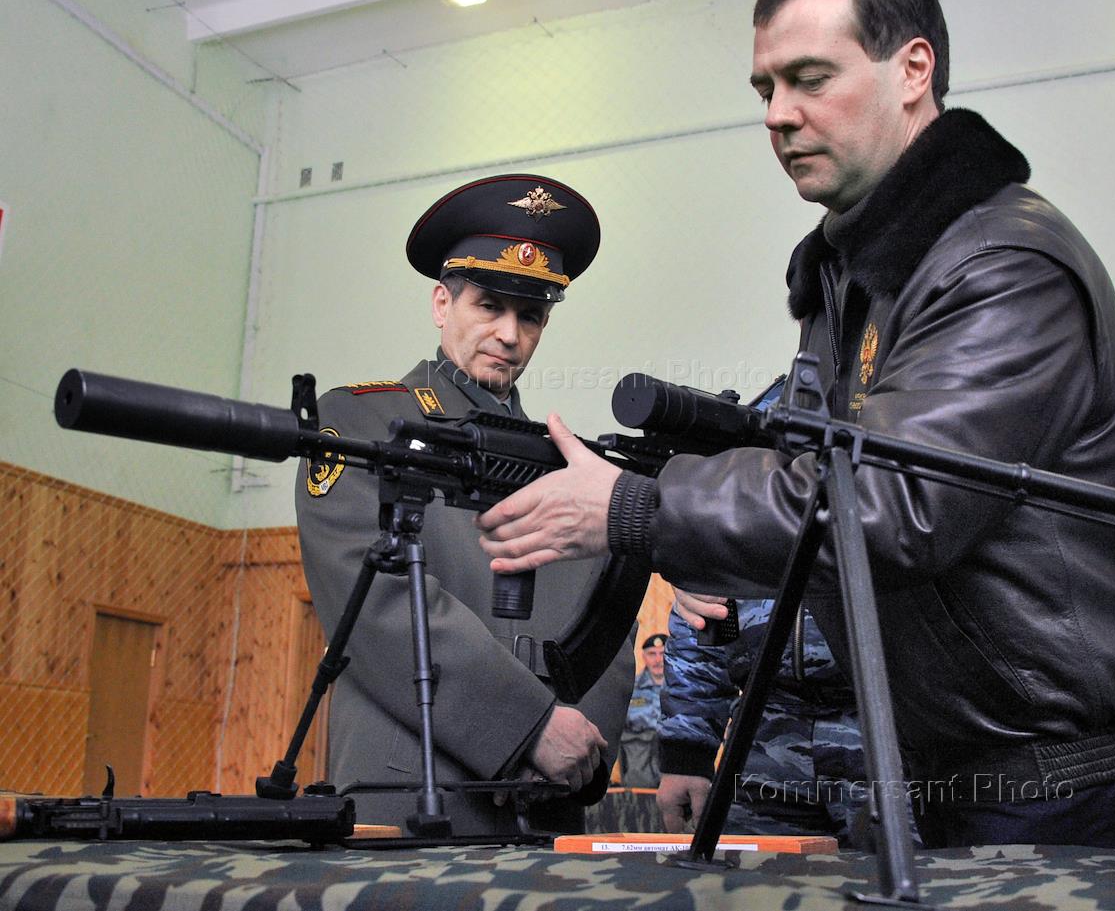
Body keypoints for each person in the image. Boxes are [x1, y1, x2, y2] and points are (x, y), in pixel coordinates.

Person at [477, 0, 1115, 849]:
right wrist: (686, 524)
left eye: (810, 79)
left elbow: (893, 505)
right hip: (927, 768)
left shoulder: (1001, 263)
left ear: (912, 70)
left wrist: (640, 509)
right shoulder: (857, 273)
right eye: (765, 87)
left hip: (1042, 784)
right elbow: (818, 480)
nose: (777, 113)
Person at [296, 173, 634, 837]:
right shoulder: (361, 422)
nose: (509, 334)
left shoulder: (569, 467)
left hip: (549, 811)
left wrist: (578, 751)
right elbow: (378, 606)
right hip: (411, 800)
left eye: (530, 315)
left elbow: (610, 627)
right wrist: (526, 727)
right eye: (489, 305)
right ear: (441, 304)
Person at [659, 596, 872, 845]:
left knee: (895, 865)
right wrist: (686, 758)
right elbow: (698, 635)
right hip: (760, 742)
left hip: (884, 731)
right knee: (758, 866)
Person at [618, 633, 667, 788]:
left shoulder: (684, 688)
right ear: (644, 657)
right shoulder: (629, 689)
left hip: (675, 770)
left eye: (663, 653)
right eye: (652, 654)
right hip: (639, 772)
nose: (658, 660)